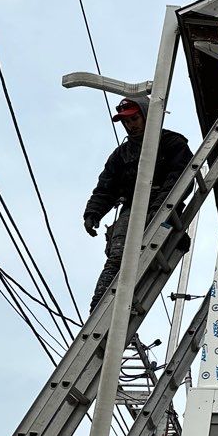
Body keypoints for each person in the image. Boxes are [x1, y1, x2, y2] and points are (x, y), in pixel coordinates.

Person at [84, 96, 193, 309]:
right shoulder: (121, 155)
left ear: (147, 116)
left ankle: (128, 303)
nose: (130, 125)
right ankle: (100, 307)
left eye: (134, 119)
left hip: (164, 208)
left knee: (147, 258)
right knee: (118, 255)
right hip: (133, 209)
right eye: (126, 121)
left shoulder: (172, 143)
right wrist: (93, 213)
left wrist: (158, 210)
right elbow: (106, 188)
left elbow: (179, 179)